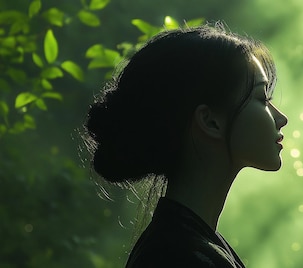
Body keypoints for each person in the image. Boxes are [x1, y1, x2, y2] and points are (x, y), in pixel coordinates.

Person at [82, 25, 288, 267]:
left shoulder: (183, 245)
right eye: (262, 98)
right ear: (210, 121)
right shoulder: (181, 256)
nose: (281, 118)